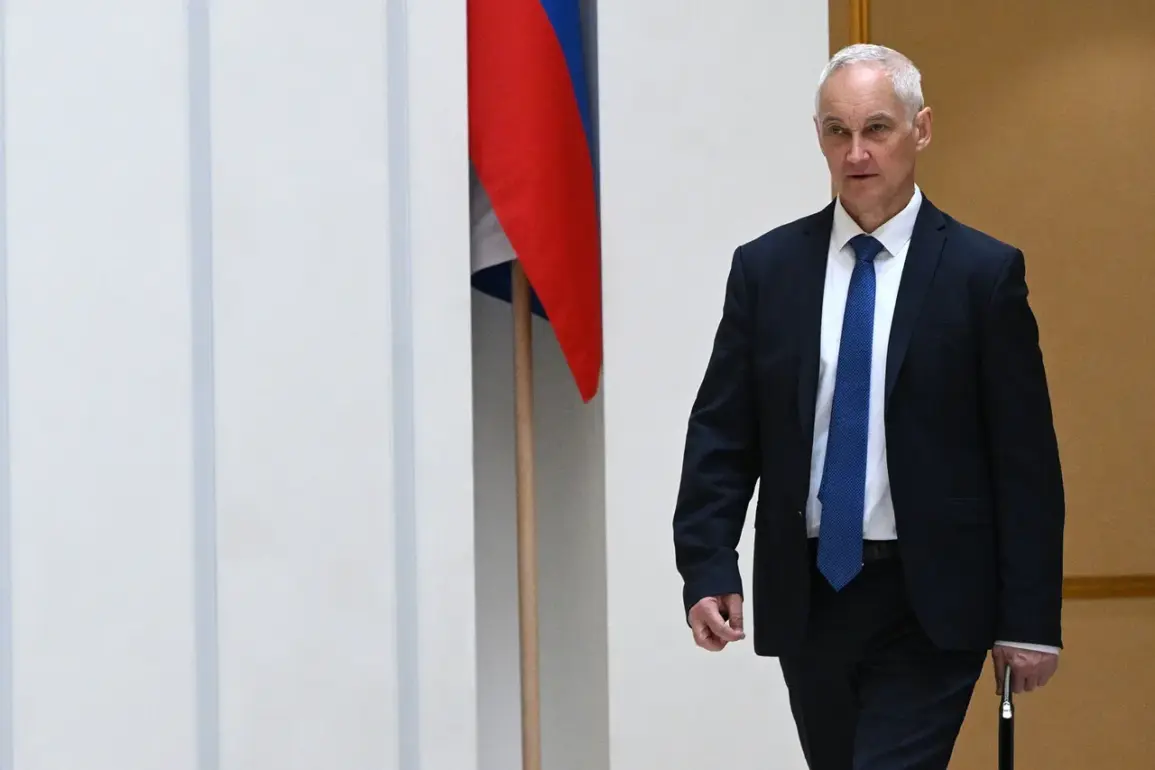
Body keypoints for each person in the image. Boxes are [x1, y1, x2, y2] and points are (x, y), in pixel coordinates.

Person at [671, 43, 1065, 769]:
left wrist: (1029, 618)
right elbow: (722, 433)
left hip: (932, 599)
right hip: (811, 592)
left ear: (920, 129)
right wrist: (707, 565)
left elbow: (1025, 461)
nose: (856, 153)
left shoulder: (981, 275)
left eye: (876, 128)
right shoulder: (767, 271)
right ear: (818, 137)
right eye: (837, 131)